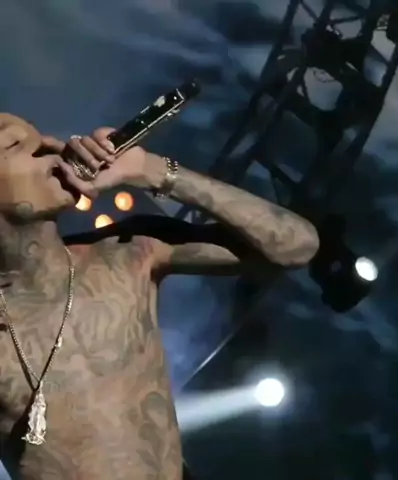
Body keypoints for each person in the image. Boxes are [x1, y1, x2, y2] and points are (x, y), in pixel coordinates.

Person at [0, 113, 319, 479]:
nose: (51, 147)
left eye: (43, 140)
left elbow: (297, 245)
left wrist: (151, 170)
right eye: (14, 144)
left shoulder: (128, 252)